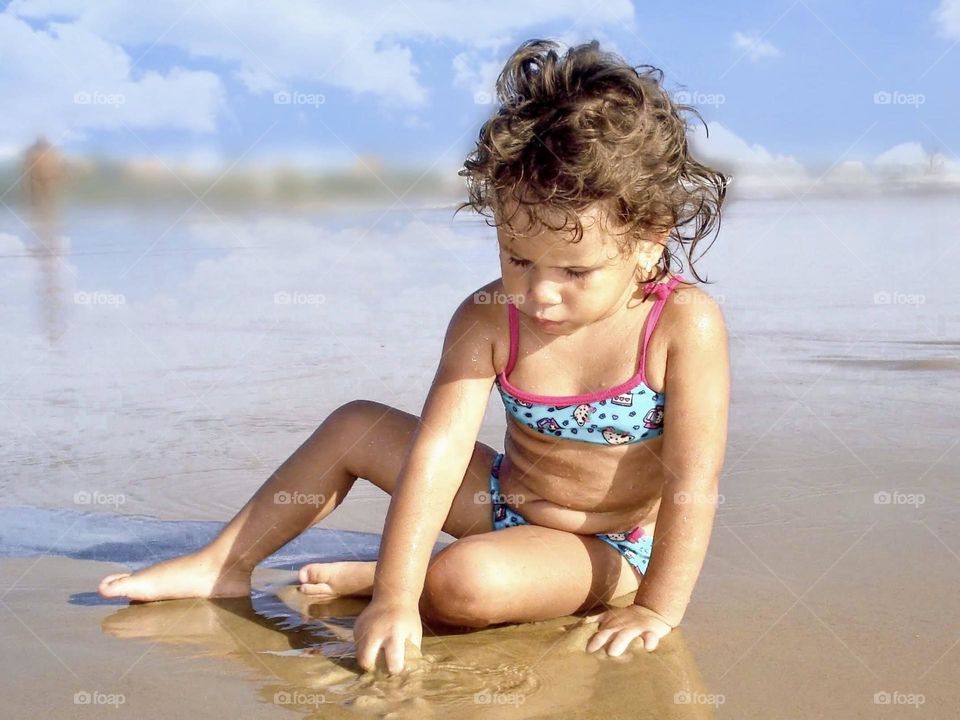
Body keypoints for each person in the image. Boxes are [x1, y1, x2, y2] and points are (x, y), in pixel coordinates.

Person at [98, 38, 731, 676]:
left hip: (607, 545)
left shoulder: (681, 325)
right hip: (499, 501)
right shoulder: (486, 316)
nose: (540, 292)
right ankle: (225, 564)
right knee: (356, 425)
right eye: (518, 258)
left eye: (575, 270)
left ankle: (397, 573)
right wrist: (395, 601)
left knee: (467, 584)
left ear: (648, 242)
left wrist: (657, 608)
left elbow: (691, 484)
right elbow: (439, 450)